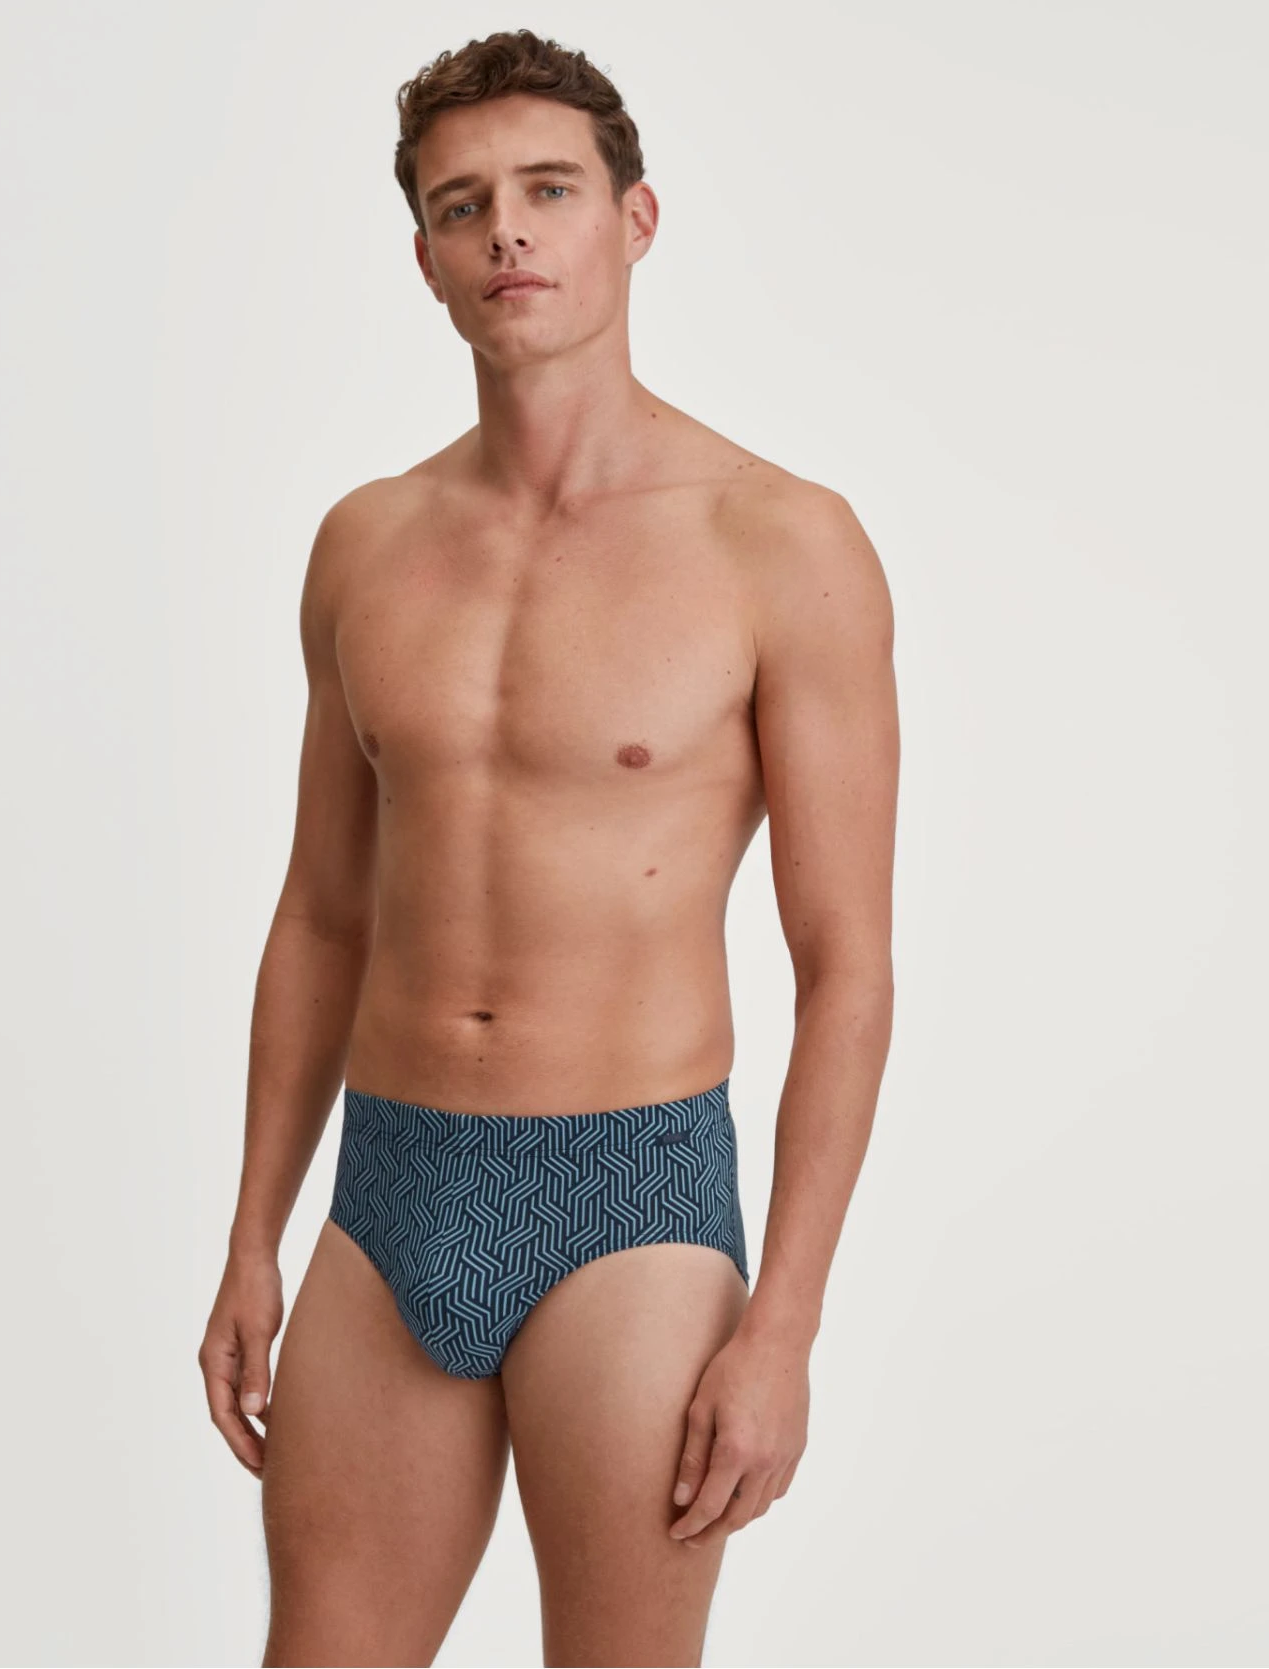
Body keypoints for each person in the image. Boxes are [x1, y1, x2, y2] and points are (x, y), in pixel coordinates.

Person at [198, 27, 898, 1669]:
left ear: (634, 220)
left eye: (549, 190)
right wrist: (250, 1236)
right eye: (463, 205)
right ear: (427, 256)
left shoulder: (778, 543)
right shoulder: (368, 544)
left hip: (631, 1199)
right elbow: (321, 914)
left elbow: (847, 967)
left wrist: (784, 1328)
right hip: (389, 1191)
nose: (506, 230)